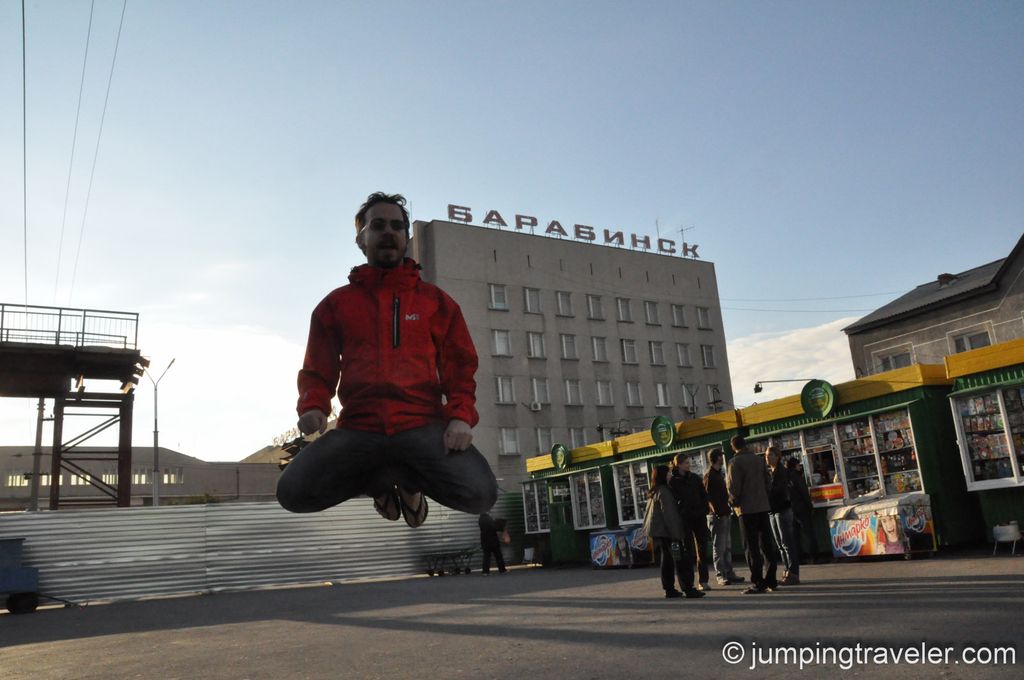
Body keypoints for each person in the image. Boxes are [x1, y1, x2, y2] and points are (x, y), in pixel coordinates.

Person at [276, 192, 498, 526]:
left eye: (397, 226)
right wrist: (313, 406)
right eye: (378, 225)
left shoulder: (436, 302)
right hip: (359, 429)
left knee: (482, 494)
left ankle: (407, 483)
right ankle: (378, 481)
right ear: (361, 240)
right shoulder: (335, 305)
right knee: (292, 492)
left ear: (406, 238)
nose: (389, 232)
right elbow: (317, 368)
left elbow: (460, 367)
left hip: (421, 427)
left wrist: (460, 416)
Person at [726, 434, 779, 594]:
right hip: (762, 507)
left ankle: (758, 581)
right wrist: (763, 497)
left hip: (746, 510)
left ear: (733, 447)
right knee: (767, 544)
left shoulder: (734, 462)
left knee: (751, 547)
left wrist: (733, 503)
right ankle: (771, 580)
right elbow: (768, 481)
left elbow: (733, 487)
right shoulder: (758, 460)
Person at [642, 465, 705, 599]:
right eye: (669, 473)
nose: (671, 475)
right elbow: (670, 516)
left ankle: (669, 589)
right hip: (668, 533)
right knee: (679, 559)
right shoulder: (665, 492)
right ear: (664, 475)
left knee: (667, 560)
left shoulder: (655, 490)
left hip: (659, 532)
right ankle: (688, 588)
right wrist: (677, 535)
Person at [669, 454, 711, 590]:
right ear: (679, 464)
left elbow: (704, 494)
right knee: (687, 549)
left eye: (689, 462)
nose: (689, 465)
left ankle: (703, 580)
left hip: (699, 516)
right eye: (686, 463)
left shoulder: (695, 478)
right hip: (685, 518)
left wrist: (704, 509)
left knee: (702, 548)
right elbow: (673, 501)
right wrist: (682, 510)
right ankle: (690, 581)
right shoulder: (673, 481)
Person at [704, 449, 745, 586]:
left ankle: (728, 572)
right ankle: (720, 574)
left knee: (727, 546)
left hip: (724, 513)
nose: (723, 458)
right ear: (716, 458)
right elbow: (708, 496)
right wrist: (717, 511)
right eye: (721, 456)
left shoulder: (718, 473)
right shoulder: (710, 475)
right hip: (717, 515)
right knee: (719, 547)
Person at [766, 447, 801, 586]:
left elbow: (779, 490)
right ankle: (787, 571)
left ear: (777, 456)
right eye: (766, 455)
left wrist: (767, 489)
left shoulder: (781, 472)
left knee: (787, 543)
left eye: (770, 455)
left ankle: (793, 573)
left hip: (782, 509)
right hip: (773, 510)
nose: (767, 458)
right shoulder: (771, 472)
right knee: (780, 544)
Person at [786, 458, 818, 561]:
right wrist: (810, 506)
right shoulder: (797, 476)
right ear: (795, 466)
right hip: (801, 508)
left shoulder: (785, 477)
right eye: (798, 465)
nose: (800, 467)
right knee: (809, 533)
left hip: (791, 509)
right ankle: (814, 556)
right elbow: (804, 492)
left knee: (795, 535)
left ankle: (799, 557)